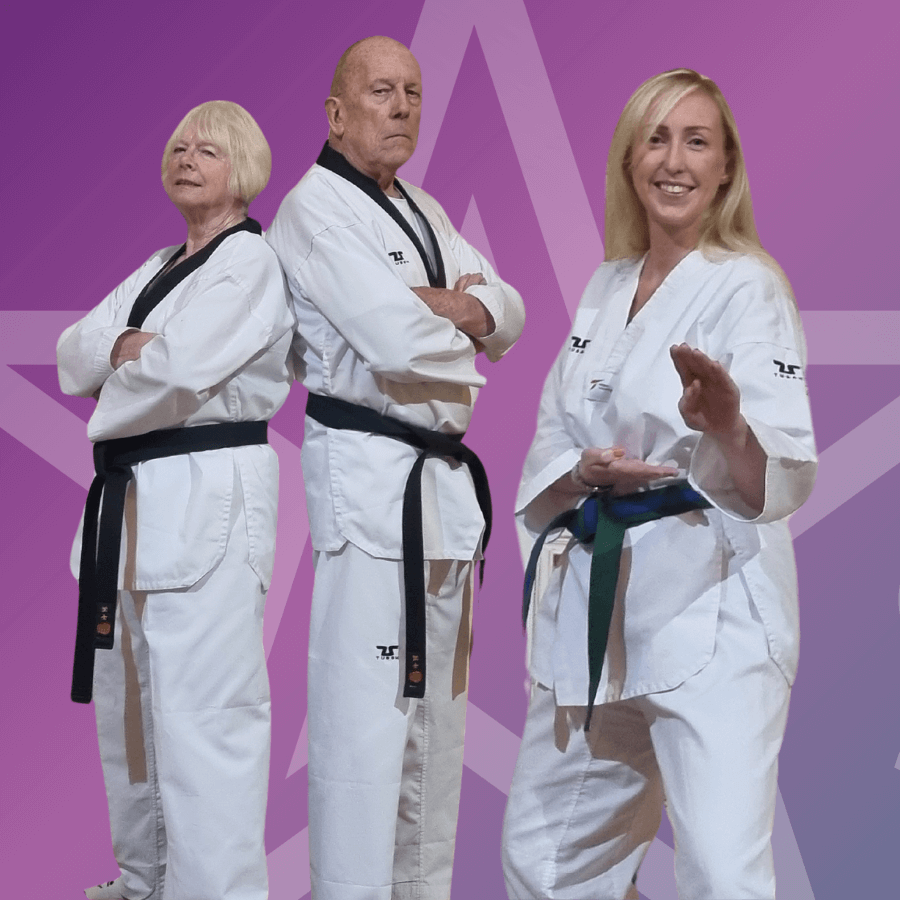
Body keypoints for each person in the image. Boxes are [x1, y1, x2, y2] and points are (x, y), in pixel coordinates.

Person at [501, 69, 817, 900]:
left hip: (713, 610)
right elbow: (552, 441)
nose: (674, 161)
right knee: (549, 861)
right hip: (600, 612)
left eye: (697, 141)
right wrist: (581, 473)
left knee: (720, 871)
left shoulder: (748, 287)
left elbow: (781, 467)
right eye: (657, 138)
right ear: (629, 159)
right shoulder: (605, 288)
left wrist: (726, 425)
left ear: (725, 168)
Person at [266, 35, 524, 900]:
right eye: (381, 91)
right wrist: (464, 314)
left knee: (434, 737)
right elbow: (390, 337)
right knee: (363, 732)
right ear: (337, 114)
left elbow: (511, 307)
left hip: (442, 497)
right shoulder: (313, 209)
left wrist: (456, 307)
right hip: (371, 479)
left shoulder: (422, 206)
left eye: (412, 91)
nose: (403, 106)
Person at [57, 100, 293, 900]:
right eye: (180, 146)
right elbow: (73, 351)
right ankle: (144, 880)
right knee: (129, 714)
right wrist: (124, 351)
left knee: (205, 720)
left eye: (210, 150)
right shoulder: (160, 267)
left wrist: (120, 365)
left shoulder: (251, 264)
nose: (188, 157)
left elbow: (179, 371)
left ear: (245, 171)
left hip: (208, 495)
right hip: (131, 505)